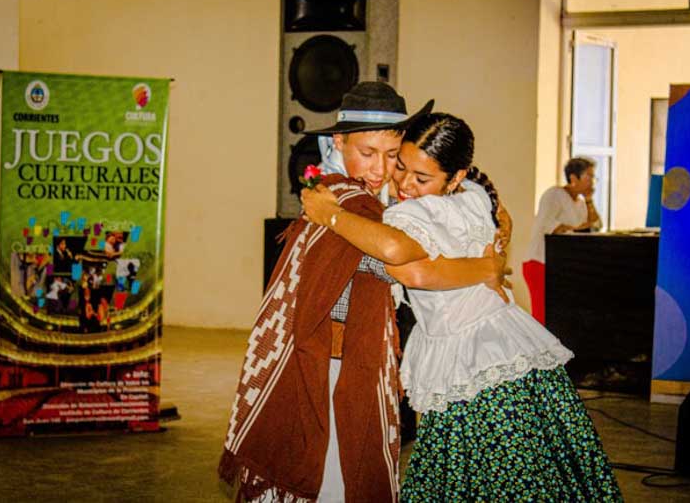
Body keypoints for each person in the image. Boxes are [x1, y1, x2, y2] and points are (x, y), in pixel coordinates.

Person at [301, 113, 622, 502]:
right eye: (400, 167)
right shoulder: (474, 194)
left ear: (453, 177)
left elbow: (404, 262)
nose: (404, 183)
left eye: (421, 178)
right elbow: (500, 219)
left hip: (473, 361)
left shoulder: (413, 212)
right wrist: (490, 263)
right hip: (506, 349)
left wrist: (329, 215)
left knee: (482, 476)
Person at [219, 83, 510, 503]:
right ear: (338, 141)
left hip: (343, 359)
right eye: (367, 153)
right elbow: (403, 265)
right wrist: (487, 265)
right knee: (335, 476)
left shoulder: (354, 198)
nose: (379, 169)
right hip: (333, 366)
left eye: (392, 157)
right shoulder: (353, 205)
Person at [523, 157, 602, 324]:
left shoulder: (580, 203)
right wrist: (577, 228)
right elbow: (548, 225)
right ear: (574, 178)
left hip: (561, 265)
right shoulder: (554, 195)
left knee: (559, 318)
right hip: (539, 262)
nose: (592, 182)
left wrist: (588, 200)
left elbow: (595, 224)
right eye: (589, 177)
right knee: (542, 316)